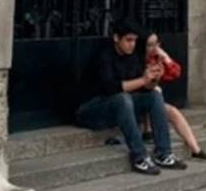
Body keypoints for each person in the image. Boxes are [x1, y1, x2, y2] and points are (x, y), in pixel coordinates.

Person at [75, 19, 188, 175]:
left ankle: (163, 153)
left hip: (118, 109)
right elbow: (110, 88)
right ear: (116, 38)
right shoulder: (104, 56)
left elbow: (142, 88)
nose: (132, 44)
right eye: (128, 40)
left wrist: (154, 79)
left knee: (154, 95)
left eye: (134, 40)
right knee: (122, 98)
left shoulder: (132, 57)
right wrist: (143, 80)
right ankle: (139, 157)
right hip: (89, 110)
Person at [140, 32, 206, 161]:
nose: (154, 48)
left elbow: (175, 73)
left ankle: (195, 149)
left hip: (151, 99)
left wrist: (166, 57)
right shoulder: (136, 60)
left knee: (172, 111)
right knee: (156, 95)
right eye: (150, 45)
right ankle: (148, 131)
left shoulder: (156, 59)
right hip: (137, 98)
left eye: (156, 44)